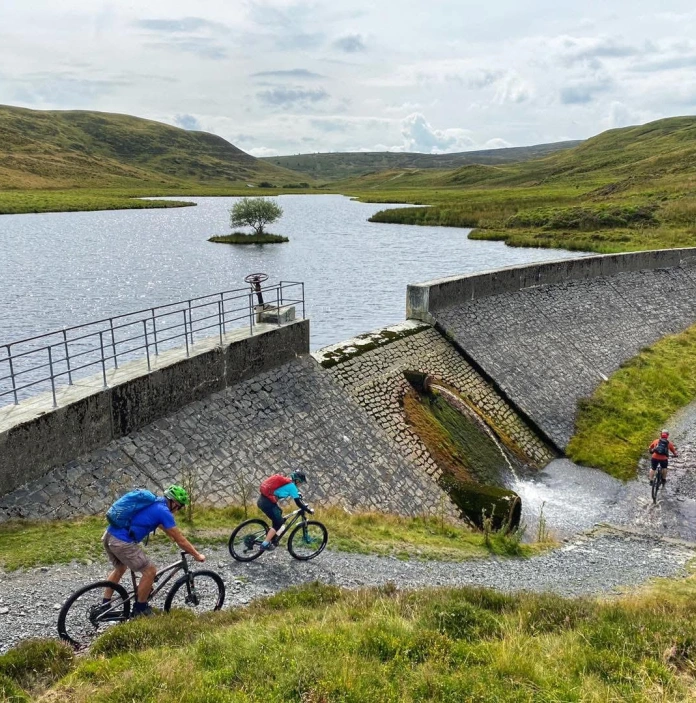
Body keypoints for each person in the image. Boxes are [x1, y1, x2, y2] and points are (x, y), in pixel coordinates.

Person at [100, 485, 205, 617]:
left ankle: (105, 605)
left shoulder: (155, 502)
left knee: (120, 568)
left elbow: (158, 522)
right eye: (179, 506)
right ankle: (140, 609)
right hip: (122, 541)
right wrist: (196, 555)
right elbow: (181, 540)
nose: (178, 509)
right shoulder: (164, 511)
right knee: (150, 571)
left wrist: (170, 535)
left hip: (110, 535)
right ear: (174, 502)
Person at [257, 470, 312, 551]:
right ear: (297, 480)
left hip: (262, 500)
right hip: (268, 504)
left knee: (279, 513)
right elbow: (298, 503)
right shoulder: (292, 487)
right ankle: (265, 544)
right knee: (278, 523)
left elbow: (285, 490)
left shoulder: (287, 481)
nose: (300, 485)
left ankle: (272, 534)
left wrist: (297, 494)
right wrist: (308, 510)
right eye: (301, 483)